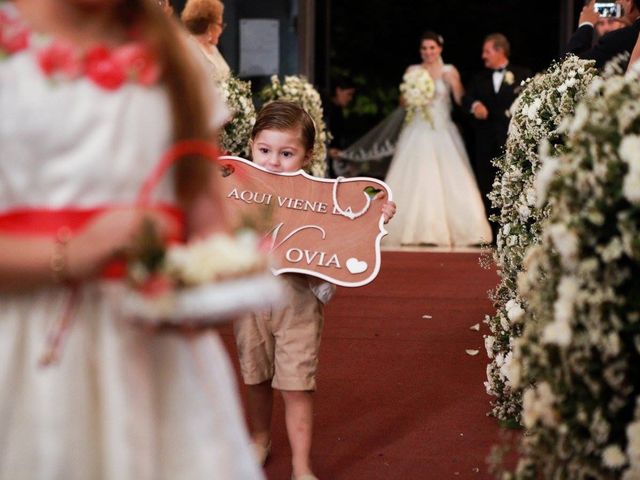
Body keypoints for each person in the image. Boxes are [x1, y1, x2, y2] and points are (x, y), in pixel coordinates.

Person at [0, 1, 262, 479]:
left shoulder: (175, 60)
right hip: (28, 359)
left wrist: (219, 273)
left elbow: (206, 214)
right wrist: (68, 254)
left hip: (159, 364)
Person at [233, 100, 396, 480]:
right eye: (265, 150)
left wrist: (376, 216)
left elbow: (349, 229)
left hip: (299, 302)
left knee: (296, 383)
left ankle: (302, 465)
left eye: (286, 153)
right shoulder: (236, 190)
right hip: (249, 297)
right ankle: (259, 438)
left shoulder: (321, 198)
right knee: (254, 374)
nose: (273, 160)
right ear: (252, 145)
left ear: (307, 155)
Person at [383, 31, 492, 247]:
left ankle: (458, 231)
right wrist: (413, 94)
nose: (428, 52)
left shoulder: (449, 71)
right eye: (424, 48)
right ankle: (410, 230)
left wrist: (474, 105)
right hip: (417, 129)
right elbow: (403, 102)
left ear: (440, 49)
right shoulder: (413, 71)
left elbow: (460, 97)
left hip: (442, 130)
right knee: (415, 176)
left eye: (432, 48)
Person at [462, 33, 531, 240]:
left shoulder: (522, 74)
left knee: (514, 186)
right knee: (487, 186)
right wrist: (475, 106)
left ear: (500, 51)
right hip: (485, 144)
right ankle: (492, 235)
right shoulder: (478, 78)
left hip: (512, 143)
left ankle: (517, 235)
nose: (483, 56)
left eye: (487, 51)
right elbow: (466, 98)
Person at [565, 0, 640, 69]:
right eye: (600, 23)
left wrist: (585, 24)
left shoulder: (615, 40)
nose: (606, 28)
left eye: (611, 21)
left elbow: (571, 67)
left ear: (629, 2)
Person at [181, 0, 231, 82]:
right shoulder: (189, 48)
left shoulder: (213, 47)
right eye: (220, 25)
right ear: (210, 26)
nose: (221, 30)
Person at [325, 76, 357, 178]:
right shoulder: (326, 110)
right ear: (338, 91)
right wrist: (327, 151)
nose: (350, 98)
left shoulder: (338, 110)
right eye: (348, 94)